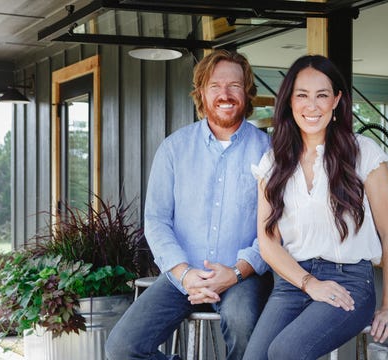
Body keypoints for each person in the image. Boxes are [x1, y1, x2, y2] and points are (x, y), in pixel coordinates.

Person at [105, 50, 273, 360]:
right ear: (201, 93)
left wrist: (236, 272)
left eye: (234, 85)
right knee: (122, 348)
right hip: (182, 276)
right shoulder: (174, 148)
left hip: (243, 277)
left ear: (247, 92)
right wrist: (184, 274)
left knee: (242, 325)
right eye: (215, 86)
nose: (225, 94)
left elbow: (276, 228)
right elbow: (156, 219)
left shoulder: (269, 151)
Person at [243, 55, 388, 360]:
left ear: (337, 101)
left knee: (286, 351)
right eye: (302, 95)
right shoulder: (273, 163)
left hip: (350, 281)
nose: (311, 106)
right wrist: (308, 283)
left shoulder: (364, 154)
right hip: (293, 283)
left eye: (322, 95)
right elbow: (267, 242)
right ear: (289, 101)